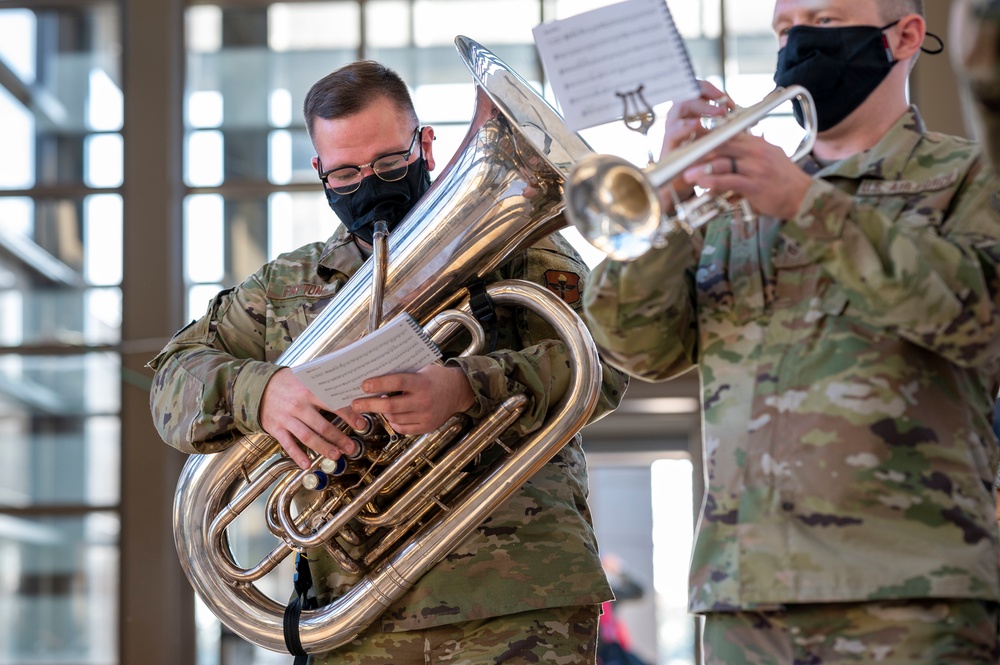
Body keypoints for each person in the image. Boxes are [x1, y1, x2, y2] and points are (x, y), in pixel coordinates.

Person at [148, 60, 627, 663]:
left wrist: (469, 387)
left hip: (521, 600)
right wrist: (262, 394)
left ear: (425, 144)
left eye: (390, 164)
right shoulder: (285, 286)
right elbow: (171, 381)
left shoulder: (524, 248)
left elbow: (608, 364)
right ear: (319, 172)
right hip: (355, 614)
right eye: (345, 173)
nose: (370, 184)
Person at [583, 0, 1000, 662]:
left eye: (824, 20)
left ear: (905, 36)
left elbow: (978, 320)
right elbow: (637, 349)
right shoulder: (733, 203)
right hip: (744, 600)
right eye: (784, 28)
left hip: (910, 593)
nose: (797, 41)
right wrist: (662, 205)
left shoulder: (970, 178)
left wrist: (806, 203)